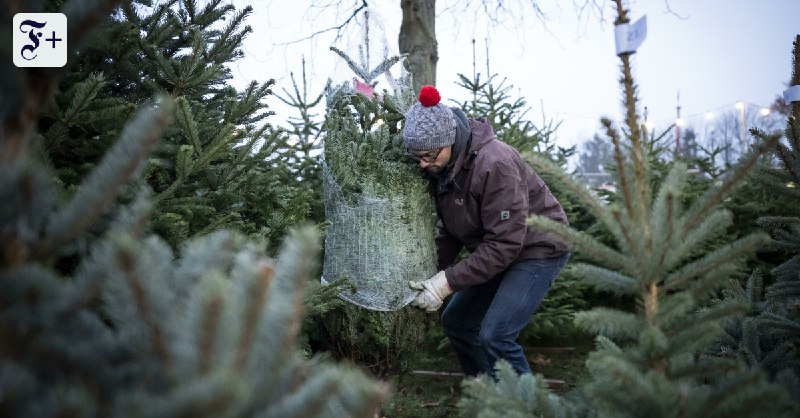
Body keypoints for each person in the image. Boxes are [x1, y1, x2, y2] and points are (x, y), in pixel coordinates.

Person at [404, 84, 572, 377]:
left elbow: (506, 244)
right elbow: (450, 231)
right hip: (496, 250)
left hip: (537, 249)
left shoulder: (495, 164)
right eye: (417, 156)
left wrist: (446, 283)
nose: (422, 164)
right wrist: (428, 271)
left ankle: (523, 408)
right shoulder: (443, 167)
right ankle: (485, 396)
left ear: (449, 142)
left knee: (496, 335)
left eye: (429, 155)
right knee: (457, 321)